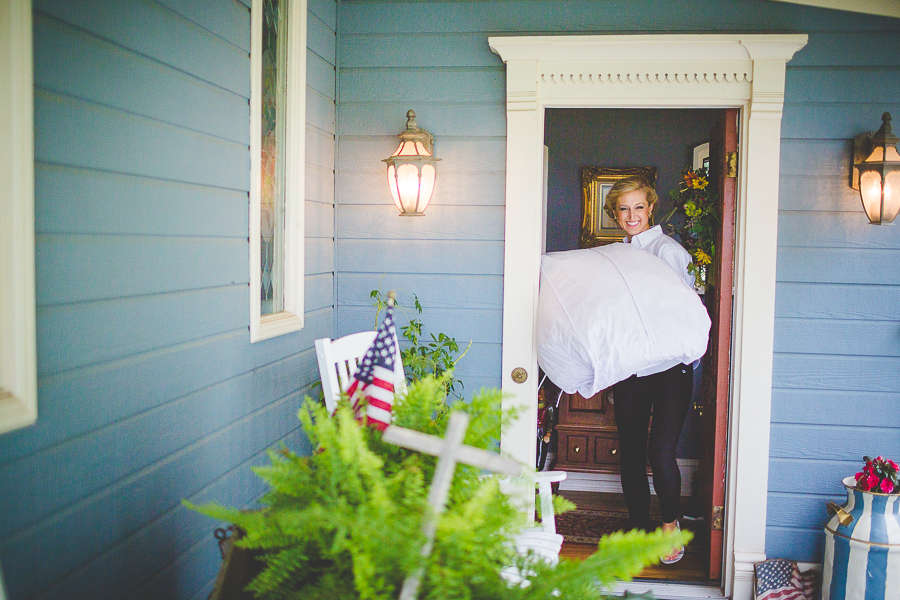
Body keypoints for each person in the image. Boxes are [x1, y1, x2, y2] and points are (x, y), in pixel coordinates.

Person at [603, 176, 698, 565]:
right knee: (630, 453)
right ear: (615, 213)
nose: (631, 215)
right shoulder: (614, 254)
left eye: (638, 207)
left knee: (661, 451)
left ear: (651, 208)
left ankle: (670, 525)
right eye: (623, 208)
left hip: (670, 366)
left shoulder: (667, 250)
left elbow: (686, 310)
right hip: (631, 365)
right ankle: (641, 531)